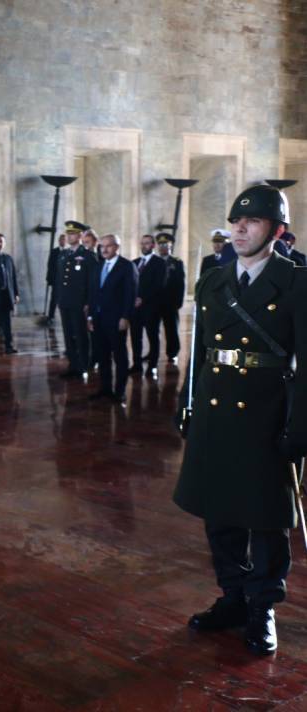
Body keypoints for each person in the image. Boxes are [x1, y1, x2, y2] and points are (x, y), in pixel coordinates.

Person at [174, 184, 307, 656]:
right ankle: (232, 596)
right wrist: (185, 399)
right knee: (220, 512)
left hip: (268, 413)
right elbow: (203, 351)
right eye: (235, 221)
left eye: (250, 222)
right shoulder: (212, 281)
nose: (239, 229)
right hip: (214, 407)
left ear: (277, 230)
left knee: (265, 518)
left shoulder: (297, 282)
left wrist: (301, 427)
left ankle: (262, 606)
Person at [87, 234, 137, 403]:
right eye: (102, 247)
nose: (104, 249)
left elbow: (130, 294)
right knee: (102, 355)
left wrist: (125, 317)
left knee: (120, 356)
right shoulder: (98, 266)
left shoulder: (126, 266)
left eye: (108, 246)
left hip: (116, 320)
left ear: (117, 247)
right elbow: (93, 293)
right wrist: (90, 317)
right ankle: (105, 388)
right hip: (98, 319)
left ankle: (120, 391)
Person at [57, 220, 96, 379]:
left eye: (72, 233)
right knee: (68, 335)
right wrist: (58, 298)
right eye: (68, 233)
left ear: (80, 235)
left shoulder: (88, 256)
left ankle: (84, 366)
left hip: (80, 303)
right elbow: (59, 279)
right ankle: (73, 365)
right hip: (65, 302)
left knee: (80, 335)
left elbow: (92, 282)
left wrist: (88, 303)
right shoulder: (63, 254)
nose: (69, 236)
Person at [130, 234, 164, 376]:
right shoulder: (134, 262)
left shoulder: (160, 262)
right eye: (142, 243)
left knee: (152, 336)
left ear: (153, 245)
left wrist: (142, 298)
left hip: (151, 307)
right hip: (134, 308)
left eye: (147, 243)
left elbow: (159, 285)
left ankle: (152, 366)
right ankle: (137, 364)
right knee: (135, 337)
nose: (144, 246)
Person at [155, 233, 186, 364]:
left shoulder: (177, 262)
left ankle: (172, 352)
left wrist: (178, 302)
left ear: (170, 246)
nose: (162, 247)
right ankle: (153, 353)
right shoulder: (154, 262)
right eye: (160, 245)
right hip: (155, 302)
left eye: (165, 245)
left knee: (171, 329)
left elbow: (181, 283)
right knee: (153, 330)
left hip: (170, 302)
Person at [45, 233, 66, 322]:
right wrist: (51, 279)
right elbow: (50, 265)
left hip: (66, 280)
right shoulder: (54, 251)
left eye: (64, 240)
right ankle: (51, 316)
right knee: (54, 298)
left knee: (65, 299)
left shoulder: (68, 251)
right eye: (62, 240)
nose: (63, 241)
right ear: (59, 241)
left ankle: (65, 317)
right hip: (56, 280)